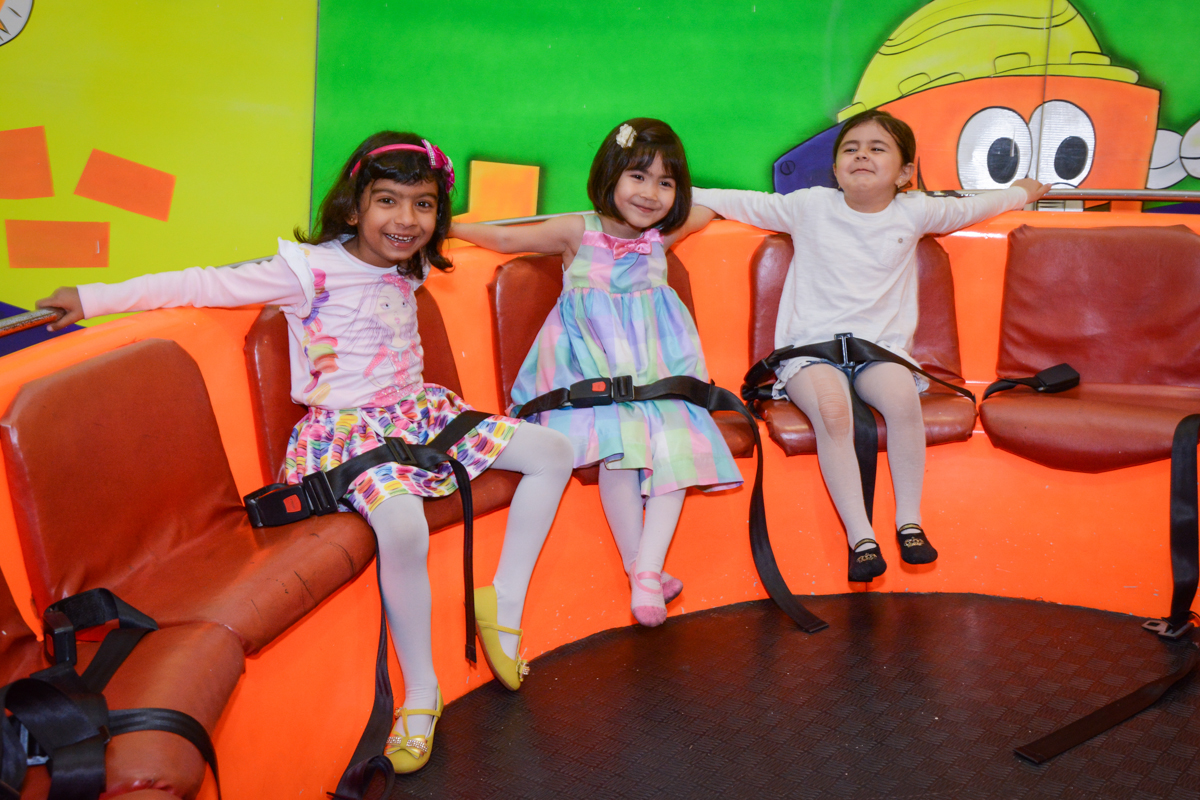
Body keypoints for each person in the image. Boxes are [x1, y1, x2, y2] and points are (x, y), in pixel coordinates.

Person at [37, 131, 574, 774]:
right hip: (347, 434)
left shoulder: (413, 262)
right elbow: (204, 282)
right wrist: (90, 297)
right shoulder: (308, 270)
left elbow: (499, 235)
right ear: (354, 204)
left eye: (424, 205)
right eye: (387, 200)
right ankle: (421, 693)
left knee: (553, 451)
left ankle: (503, 605)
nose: (405, 219)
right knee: (401, 523)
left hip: (417, 413)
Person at [692, 109, 1050, 583]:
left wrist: (1022, 190)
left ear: (905, 172)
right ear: (836, 169)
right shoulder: (809, 206)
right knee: (833, 411)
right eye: (851, 149)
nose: (861, 156)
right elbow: (729, 200)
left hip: (877, 351)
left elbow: (975, 207)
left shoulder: (915, 211)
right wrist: (675, 199)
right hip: (809, 353)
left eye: (877, 148)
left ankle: (909, 522)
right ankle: (861, 537)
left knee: (902, 400)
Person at [451, 118, 738, 628]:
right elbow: (504, 237)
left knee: (678, 443)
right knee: (617, 447)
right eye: (637, 176)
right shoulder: (578, 231)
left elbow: (715, 205)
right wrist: (444, 227)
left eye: (666, 182)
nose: (650, 193)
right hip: (591, 376)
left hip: (658, 375)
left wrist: (722, 200)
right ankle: (641, 570)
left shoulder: (662, 236)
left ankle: (645, 569)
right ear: (610, 174)